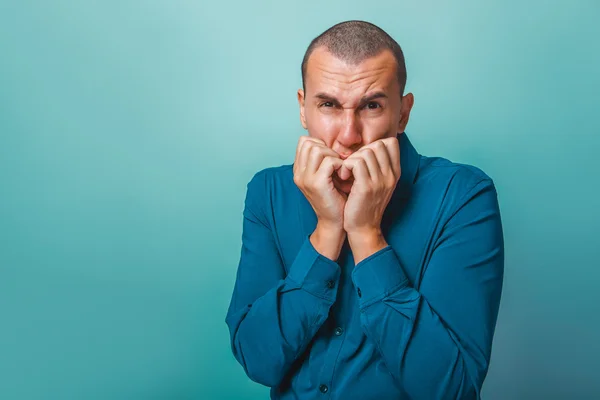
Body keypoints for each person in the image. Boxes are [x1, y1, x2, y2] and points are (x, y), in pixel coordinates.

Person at [225, 20, 504, 400]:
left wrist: (366, 235)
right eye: (328, 105)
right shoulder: (268, 192)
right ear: (303, 109)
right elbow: (258, 361)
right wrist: (327, 230)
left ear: (402, 113)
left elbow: (451, 390)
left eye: (371, 105)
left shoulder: (463, 196)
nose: (348, 135)